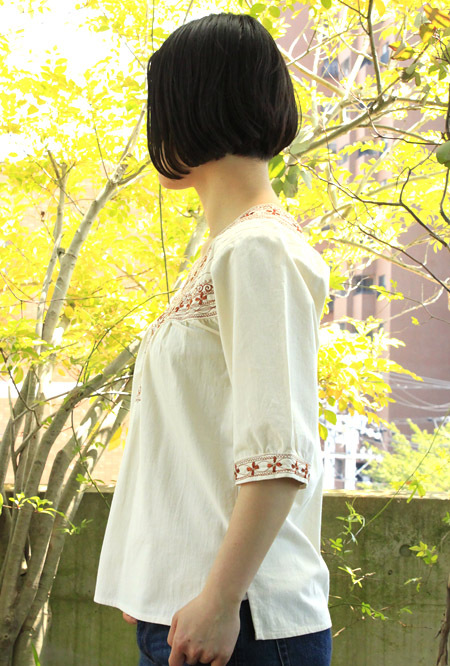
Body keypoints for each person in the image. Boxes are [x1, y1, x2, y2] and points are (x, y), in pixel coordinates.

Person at [94, 12, 332, 666]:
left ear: (192, 106)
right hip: (192, 611)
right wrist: (150, 570)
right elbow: (190, 441)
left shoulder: (258, 249)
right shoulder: (228, 251)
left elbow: (280, 454)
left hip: (242, 620)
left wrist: (220, 599)